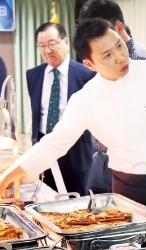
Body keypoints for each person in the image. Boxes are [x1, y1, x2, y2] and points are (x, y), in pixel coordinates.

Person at [0, 18, 146, 245]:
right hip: (127, 192)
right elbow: (54, 144)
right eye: (107, 55)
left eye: (119, 45)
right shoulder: (86, 99)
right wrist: (7, 177)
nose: (119, 57)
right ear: (90, 64)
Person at [78, 0, 146, 194]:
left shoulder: (145, 63)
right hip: (102, 163)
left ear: (118, 28)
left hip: (134, 169)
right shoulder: (98, 58)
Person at [26, 22, 95, 196]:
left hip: (75, 147)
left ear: (65, 42)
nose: (47, 50)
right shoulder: (33, 75)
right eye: (42, 46)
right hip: (44, 143)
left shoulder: (86, 75)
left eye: (51, 44)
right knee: (47, 196)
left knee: (77, 198)